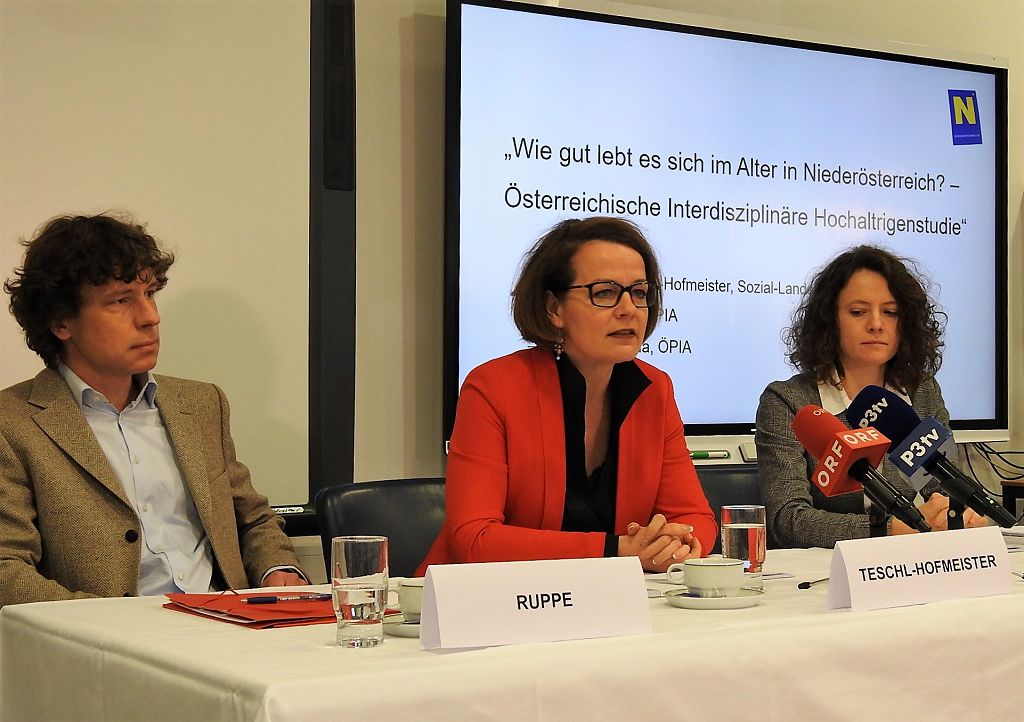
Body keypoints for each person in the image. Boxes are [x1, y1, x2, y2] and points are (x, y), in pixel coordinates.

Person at [0, 213, 307, 608]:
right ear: (62, 322)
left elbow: (251, 519)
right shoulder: (13, 423)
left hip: (230, 626)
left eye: (150, 295)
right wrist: (113, 630)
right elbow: (7, 569)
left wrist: (278, 571)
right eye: (121, 301)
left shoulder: (201, 404)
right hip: (111, 647)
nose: (150, 317)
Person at [418, 217, 716, 574]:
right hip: (479, 607)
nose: (629, 309)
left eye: (639, 292)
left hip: (603, 603)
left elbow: (694, 516)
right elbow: (474, 538)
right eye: (604, 292)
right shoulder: (494, 387)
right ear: (554, 309)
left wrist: (675, 541)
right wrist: (615, 549)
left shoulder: (654, 389)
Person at [755, 244, 984, 548]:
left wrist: (958, 512)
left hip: (920, 559)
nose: (876, 324)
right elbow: (788, 521)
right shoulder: (789, 401)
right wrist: (890, 529)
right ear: (829, 320)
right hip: (830, 574)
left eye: (890, 312)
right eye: (858, 312)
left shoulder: (922, 391)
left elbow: (939, 486)